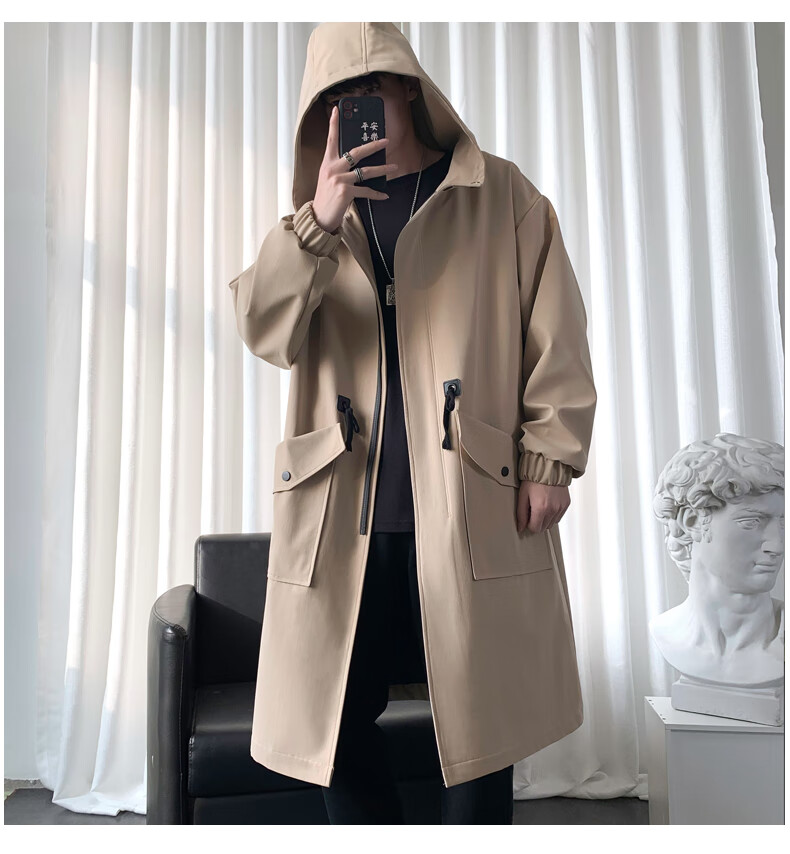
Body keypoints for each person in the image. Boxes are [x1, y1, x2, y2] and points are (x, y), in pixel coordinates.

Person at [229, 22, 596, 827]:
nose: (354, 109)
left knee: (482, 728)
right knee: (329, 722)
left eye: (367, 89)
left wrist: (550, 459)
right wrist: (317, 223)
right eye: (335, 98)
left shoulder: (500, 196)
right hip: (343, 512)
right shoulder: (315, 221)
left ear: (408, 86)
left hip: (470, 502)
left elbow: (557, 335)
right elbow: (264, 331)